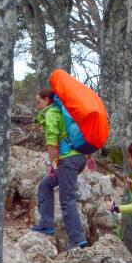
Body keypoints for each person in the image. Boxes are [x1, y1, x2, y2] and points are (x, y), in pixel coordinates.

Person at [31, 88, 88, 249]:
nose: (38, 105)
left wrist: (50, 163)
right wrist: (89, 157)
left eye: (39, 102)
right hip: (78, 158)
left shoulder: (52, 113)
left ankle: (77, 240)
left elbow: (52, 139)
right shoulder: (64, 113)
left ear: (47, 101)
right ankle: (46, 224)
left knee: (67, 200)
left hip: (68, 160)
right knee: (45, 186)